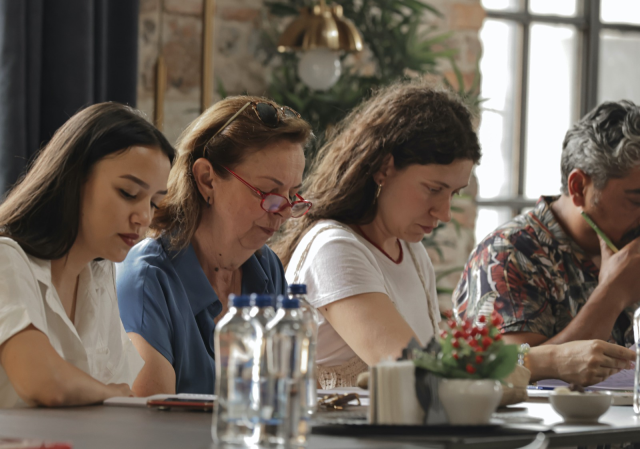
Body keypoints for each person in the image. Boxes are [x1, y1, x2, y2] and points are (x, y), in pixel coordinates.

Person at [273, 82, 480, 388]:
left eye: (454, 193)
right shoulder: (334, 249)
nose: (445, 213)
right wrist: (541, 360)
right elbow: (413, 374)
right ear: (385, 168)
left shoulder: (410, 251)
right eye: (433, 189)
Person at [116, 96, 313, 396]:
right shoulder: (148, 278)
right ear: (207, 179)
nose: (284, 212)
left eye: (293, 195)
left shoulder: (266, 268)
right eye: (269, 192)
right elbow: (151, 428)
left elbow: (284, 394)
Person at [454, 100, 640, 386]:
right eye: (636, 200)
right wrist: (612, 294)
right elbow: (507, 371)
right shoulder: (508, 254)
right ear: (578, 187)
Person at [0, 103, 174, 407]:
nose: (144, 218)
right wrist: (115, 394)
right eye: (129, 194)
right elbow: (44, 382)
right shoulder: (6, 260)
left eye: (154, 204)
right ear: (74, 178)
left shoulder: (99, 274)